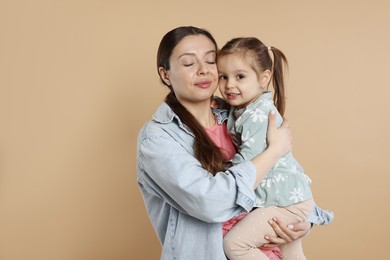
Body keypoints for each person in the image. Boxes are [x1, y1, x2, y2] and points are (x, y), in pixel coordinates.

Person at [137, 26, 333, 260]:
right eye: (189, 64)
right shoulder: (159, 139)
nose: (203, 71)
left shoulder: (241, 113)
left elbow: (287, 174)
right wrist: (274, 151)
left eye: (210, 61)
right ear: (165, 74)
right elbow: (210, 202)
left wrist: (302, 221)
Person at [216, 37, 333, 259]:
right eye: (223, 77)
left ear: (264, 78)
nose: (229, 84)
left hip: (285, 203)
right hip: (289, 200)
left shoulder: (259, 115)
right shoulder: (246, 108)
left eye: (240, 76)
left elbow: (249, 161)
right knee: (291, 253)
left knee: (235, 245)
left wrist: (221, 171)